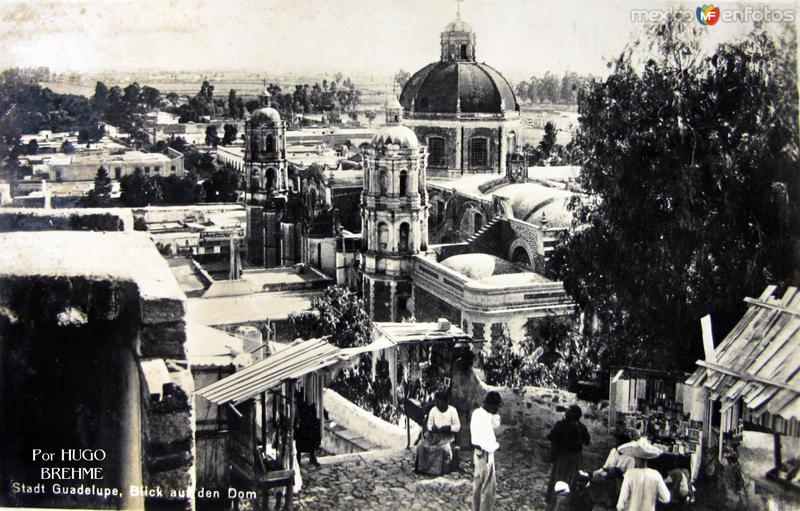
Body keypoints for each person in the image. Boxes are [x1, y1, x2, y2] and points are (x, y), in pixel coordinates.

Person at [546, 405, 591, 509]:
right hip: (575, 459)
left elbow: (551, 437)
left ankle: (555, 503)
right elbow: (587, 441)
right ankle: (571, 504)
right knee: (573, 481)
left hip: (563, 458)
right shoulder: (581, 427)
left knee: (559, 480)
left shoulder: (561, 425)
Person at [415, 391, 461, 475]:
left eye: (440, 402)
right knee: (421, 446)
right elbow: (429, 424)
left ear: (446, 402)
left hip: (446, 436)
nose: (438, 404)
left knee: (442, 449)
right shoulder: (433, 410)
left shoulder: (452, 410)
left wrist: (449, 428)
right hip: (433, 435)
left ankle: (435, 470)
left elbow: (457, 426)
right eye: (437, 401)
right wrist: (432, 428)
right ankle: (423, 468)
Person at [615, 440, 670, 511]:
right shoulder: (655, 474)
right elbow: (666, 498)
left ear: (635, 458)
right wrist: (654, 495)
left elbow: (621, 505)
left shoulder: (630, 474)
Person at [471, 391, 503, 511]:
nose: (497, 410)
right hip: (485, 454)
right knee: (488, 489)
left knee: (478, 486)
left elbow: (495, 424)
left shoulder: (480, 413)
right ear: (490, 404)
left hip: (479, 454)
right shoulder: (482, 417)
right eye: (496, 407)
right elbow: (485, 442)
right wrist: (496, 445)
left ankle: (476, 508)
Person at [294, 397, 321, 466]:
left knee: (311, 443)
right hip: (302, 427)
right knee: (300, 445)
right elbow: (296, 416)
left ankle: (312, 458)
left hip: (309, 426)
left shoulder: (311, 405)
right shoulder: (298, 407)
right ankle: (298, 459)